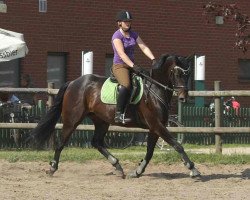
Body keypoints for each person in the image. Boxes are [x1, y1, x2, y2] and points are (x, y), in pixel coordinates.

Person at [111, 10, 156, 124]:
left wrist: (153, 59)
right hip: (120, 66)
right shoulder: (117, 36)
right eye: (125, 21)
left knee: (146, 81)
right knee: (126, 85)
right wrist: (133, 66)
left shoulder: (134, 34)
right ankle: (118, 114)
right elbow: (121, 54)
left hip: (131, 66)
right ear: (119, 23)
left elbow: (143, 47)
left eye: (129, 21)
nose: (128, 23)